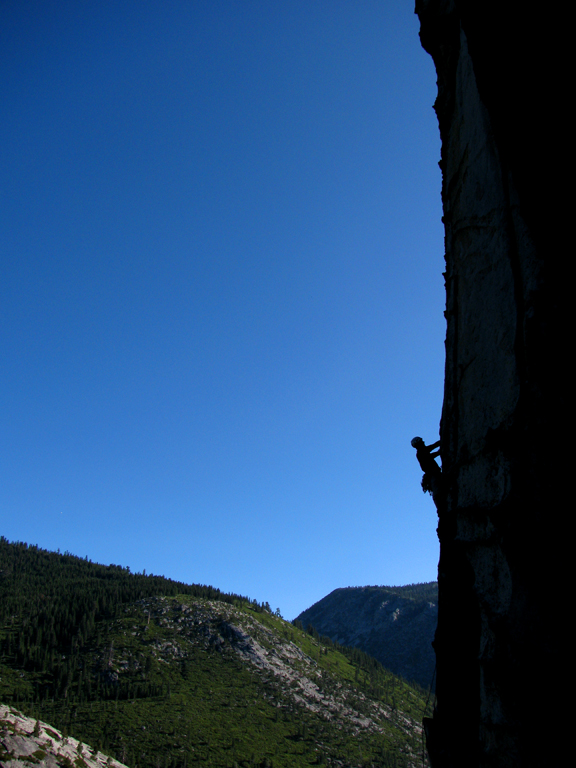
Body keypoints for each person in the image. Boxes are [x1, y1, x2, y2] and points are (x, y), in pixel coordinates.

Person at [411, 436, 442, 506]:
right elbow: (430, 455)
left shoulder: (422, 451)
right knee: (438, 491)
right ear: (418, 444)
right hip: (432, 474)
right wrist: (439, 452)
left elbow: (433, 446)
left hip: (434, 473)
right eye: (421, 441)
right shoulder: (421, 452)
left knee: (438, 489)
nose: (423, 442)